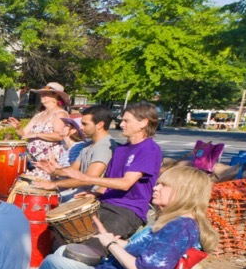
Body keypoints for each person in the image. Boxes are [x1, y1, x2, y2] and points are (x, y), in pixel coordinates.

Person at [33, 164, 218, 269]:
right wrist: (116, 240)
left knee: (52, 262)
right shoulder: (177, 222)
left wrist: (111, 244)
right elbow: (149, 250)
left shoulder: (178, 228)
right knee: (61, 251)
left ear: (183, 192)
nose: (155, 187)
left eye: (164, 185)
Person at [38, 102, 162, 254]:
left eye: (126, 121)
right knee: (60, 235)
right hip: (103, 204)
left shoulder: (149, 149)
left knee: (90, 250)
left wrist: (86, 178)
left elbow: (125, 184)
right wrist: (95, 193)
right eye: (122, 120)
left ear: (143, 123)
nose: (121, 124)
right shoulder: (121, 149)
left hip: (127, 211)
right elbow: (109, 181)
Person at [33, 106, 114, 199]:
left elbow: (88, 180)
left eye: (85, 124)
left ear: (100, 125)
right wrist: (54, 171)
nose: (81, 127)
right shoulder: (88, 145)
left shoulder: (104, 147)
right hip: (79, 191)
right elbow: (73, 170)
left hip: (91, 196)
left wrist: (54, 184)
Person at [9, 82, 70, 180]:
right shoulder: (39, 115)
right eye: (41, 93)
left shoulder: (60, 114)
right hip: (34, 161)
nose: (42, 95)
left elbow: (59, 136)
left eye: (46, 93)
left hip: (49, 162)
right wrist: (17, 128)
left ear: (56, 96)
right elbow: (24, 134)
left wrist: (36, 134)